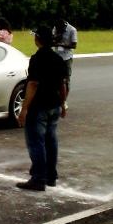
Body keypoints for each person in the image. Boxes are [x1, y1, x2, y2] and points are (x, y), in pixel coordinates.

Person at [15, 25, 68, 191]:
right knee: (51, 141)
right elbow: (62, 84)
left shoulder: (37, 59)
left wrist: (24, 109)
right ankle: (51, 176)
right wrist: (63, 103)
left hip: (39, 106)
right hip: (54, 105)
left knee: (36, 142)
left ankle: (38, 178)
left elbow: (33, 84)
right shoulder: (58, 59)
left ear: (38, 39)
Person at [52, 16, 78, 96]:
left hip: (67, 58)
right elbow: (52, 40)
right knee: (56, 78)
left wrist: (63, 45)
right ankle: (57, 98)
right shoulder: (55, 28)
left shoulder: (72, 30)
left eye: (60, 29)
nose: (57, 30)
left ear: (64, 26)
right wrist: (57, 38)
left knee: (66, 79)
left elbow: (74, 45)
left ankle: (64, 100)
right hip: (57, 57)